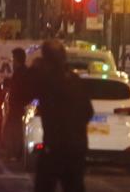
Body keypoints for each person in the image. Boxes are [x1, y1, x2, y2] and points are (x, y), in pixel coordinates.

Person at [30, 40, 92, 192]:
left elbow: (23, 93)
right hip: (77, 147)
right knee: (74, 186)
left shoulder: (46, 80)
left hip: (54, 146)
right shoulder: (75, 80)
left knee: (44, 185)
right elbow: (88, 112)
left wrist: (33, 70)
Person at [3, 47, 30, 159]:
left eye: (14, 59)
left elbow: (19, 89)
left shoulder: (21, 73)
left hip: (18, 106)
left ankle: (14, 153)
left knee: (13, 129)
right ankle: (14, 152)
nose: (12, 62)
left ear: (18, 60)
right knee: (14, 129)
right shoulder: (22, 72)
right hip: (17, 105)